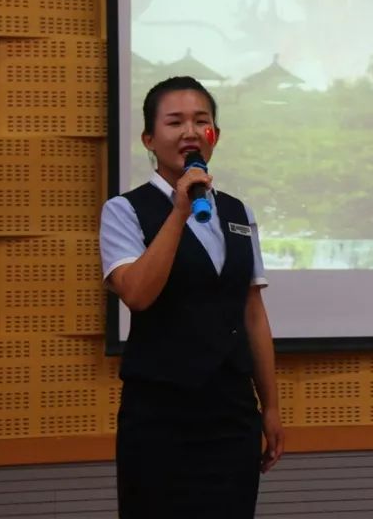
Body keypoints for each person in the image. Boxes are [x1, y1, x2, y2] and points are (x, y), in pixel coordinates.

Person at [99, 76, 284, 518]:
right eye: (175, 121)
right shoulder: (124, 210)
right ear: (149, 138)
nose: (189, 132)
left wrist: (271, 408)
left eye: (202, 121)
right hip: (160, 415)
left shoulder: (239, 213)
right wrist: (179, 212)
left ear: (213, 135)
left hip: (232, 411)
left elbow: (253, 315)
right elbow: (137, 295)